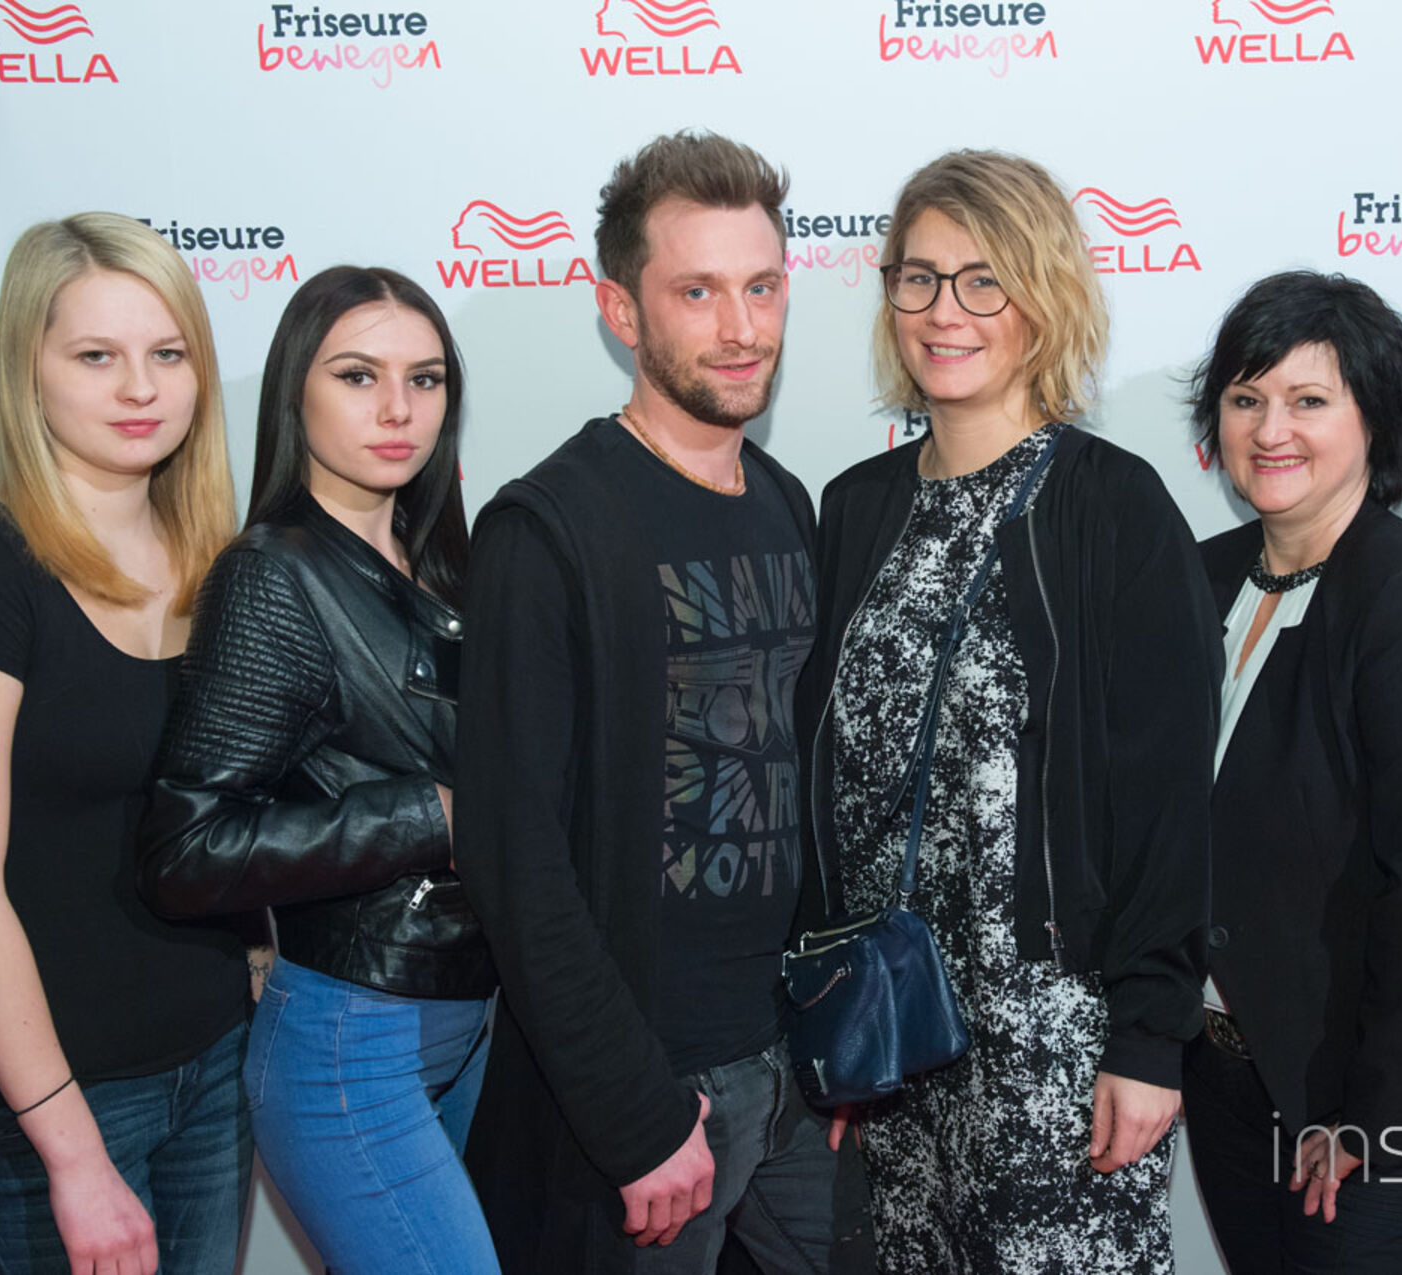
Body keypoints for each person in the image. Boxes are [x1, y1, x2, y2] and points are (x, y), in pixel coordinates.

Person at [793, 149, 1219, 1275]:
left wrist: (1148, 1035)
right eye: (919, 277)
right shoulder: (854, 508)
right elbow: (822, 781)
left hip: (1055, 1040)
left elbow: (1168, 799)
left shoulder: (1113, 509)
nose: (946, 311)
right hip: (894, 1037)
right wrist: (831, 1011)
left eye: (985, 280)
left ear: (1045, 296)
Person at [457, 131, 847, 1273]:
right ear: (620, 310)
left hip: (794, 1065)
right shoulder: (548, 530)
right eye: (698, 292)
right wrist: (633, 1113)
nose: (742, 327)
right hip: (653, 1095)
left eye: (762, 287)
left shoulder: (786, 500)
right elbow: (515, 856)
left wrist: (835, 1040)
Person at [138, 265, 499, 1272]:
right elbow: (184, 850)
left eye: (425, 379)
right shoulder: (274, 574)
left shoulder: (446, 565)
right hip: (353, 1043)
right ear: (294, 391)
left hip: (472, 1018)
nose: (398, 408)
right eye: (357, 375)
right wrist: (430, 815)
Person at [0, 211, 253, 1274]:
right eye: (97, 357)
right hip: (41, 1117)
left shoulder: (220, 560)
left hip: (215, 1069)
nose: (140, 388)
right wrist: (72, 1156)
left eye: (168, 354)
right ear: (30, 371)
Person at [1178, 270, 1402, 1272]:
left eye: (1310, 400)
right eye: (1247, 398)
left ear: (1376, 421)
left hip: (1367, 1097)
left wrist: (1378, 1118)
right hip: (1227, 1075)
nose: (1271, 429)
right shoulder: (1201, 577)